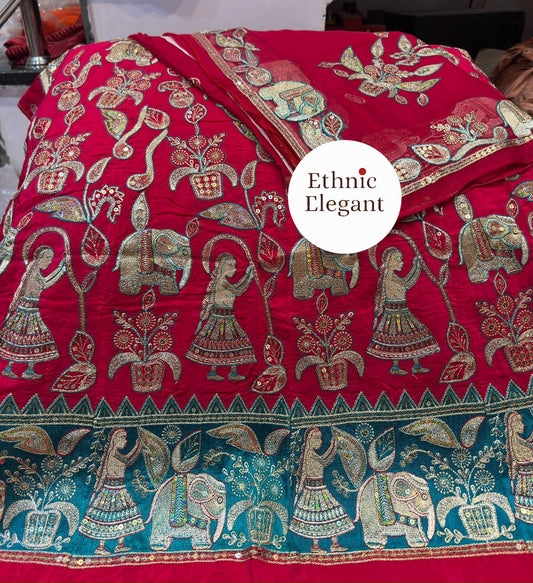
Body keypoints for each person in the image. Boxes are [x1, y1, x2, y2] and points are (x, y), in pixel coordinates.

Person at [367, 246, 439, 375]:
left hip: (401, 310)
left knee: (408, 336)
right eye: (398, 259)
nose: (402, 262)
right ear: (389, 261)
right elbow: (408, 284)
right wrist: (417, 267)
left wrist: (415, 266)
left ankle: (415, 366)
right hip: (395, 312)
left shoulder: (390, 276)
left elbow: (405, 281)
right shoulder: (389, 277)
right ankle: (397, 368)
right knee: (399, 337)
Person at [187, 252, 256, 381]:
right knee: (219, 343)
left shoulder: (223, 281)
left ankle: (232, 372)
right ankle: (214, 372)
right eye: (232, 266)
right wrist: (249, 277)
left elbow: (236, 287)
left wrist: (247, 275)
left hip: (228, 317)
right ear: (223, 267)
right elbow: (238, 291)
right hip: (220, 317)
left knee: (231, 343)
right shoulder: (222, 282)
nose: (234, 269)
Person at [0, 245, 66, 380]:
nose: (49, 262)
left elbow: (44, 281)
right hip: (26, 312)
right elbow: (45, 284)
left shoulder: (32, 269)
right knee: (25, 338)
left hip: (31, 310)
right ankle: (10, 368)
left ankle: (26, 370)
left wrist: (60, 269)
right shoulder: (33, 272)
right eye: (47, 258)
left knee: (30, 339)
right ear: (39, 258)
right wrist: (61, 270)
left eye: (51, 258)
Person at [79, 428, 145, 555]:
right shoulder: (114, 454)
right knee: (107, 517)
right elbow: (128, 460)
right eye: (122, 438)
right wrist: (138, 446)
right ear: (114, 440)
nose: (125, 441)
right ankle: (100, 548)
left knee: (122, 516)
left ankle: (120, 545)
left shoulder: (115, 453)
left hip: (120, 489)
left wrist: (138, 446)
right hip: (110, 491)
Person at [289, 427, 354, 554]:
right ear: (309, 440)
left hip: (320, 488)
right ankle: (316, 546)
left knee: (330, 513)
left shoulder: (309, 454)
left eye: (320, 438)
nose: (320, 441)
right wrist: (333, 446)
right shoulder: (310, 454)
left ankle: (334, 544)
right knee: (317, 516)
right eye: (317, 438)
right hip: (314, 491)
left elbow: (305, 472)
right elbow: (325, 461)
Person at [505, 411, 533, 524]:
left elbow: (529, 443)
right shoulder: (516, 442)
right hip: (527, 477)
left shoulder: (517, 440)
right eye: (519, 422)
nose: (523, 425)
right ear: (513, 425)